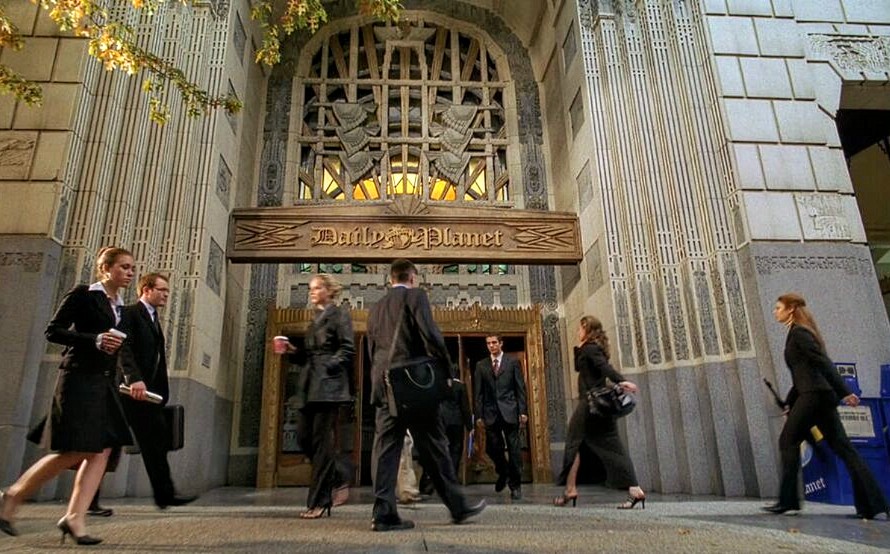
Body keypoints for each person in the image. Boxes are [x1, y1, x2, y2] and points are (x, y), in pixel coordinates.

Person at [0, 247, 135, 544]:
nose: (130, 272)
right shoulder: (84, 295)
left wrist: (129, 378)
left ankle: (75, 517)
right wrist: (94, 339)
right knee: (75, 449)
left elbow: (120, 349)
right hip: (78, 379)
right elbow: (54, 331)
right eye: (124, 266)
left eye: (132, 268)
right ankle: (13, 495)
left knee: (103, 449)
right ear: (105, 268)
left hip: (105, 384)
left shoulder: (122, 308)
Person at [366, 259, 485, 532]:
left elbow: (372, 350)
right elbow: (430, 334)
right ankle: (458, 506)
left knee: (384, 452)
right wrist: (446, 368)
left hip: (385, 386)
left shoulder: (376, 307)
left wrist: (379, 384)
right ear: (412, 277)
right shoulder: (415, 296)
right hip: (413, 386)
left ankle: (383, 514)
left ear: (390, 278)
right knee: (435, 447)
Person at [764, 293, 889, 519]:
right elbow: (803, 374)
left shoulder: (800, 334)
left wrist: (845, 392)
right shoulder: (797, 333)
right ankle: (873, 504)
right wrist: (789, 402)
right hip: (816, 395)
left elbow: (822, 363)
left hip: (814, 396)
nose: (775, 311)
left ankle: (788, 500)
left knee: (788, 440)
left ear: (790, 309)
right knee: (844, 449)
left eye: (778, 308)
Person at [118, 272, 196, 510]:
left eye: (167, 291)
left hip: (149, 396)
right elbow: (123, 346)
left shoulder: (153, 319)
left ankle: (165, 495)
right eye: (162, 290)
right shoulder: (129, 314)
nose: (166, 295)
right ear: (146, 290)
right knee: (105, 446)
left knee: (156, 443)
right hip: (129, 392)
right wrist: (134, 379)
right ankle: (88, 498)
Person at [281, 274, 355, 519]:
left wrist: (328, 367)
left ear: (329, 290)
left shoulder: (339, 314)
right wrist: (293, 351)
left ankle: (319, 502)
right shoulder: (314, 320)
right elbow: (310, 355)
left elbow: (347, 349)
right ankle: (340, 475)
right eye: (310, 288)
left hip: (328, 387)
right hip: (308, 386)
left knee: (323, 445)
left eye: (316, 288)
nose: (311, 292)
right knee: (304, 438)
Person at [554, 315, 645, 509]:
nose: (577, 332)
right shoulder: (589, 349)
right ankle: (635, 489)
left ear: (587, 329)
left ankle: (570, 490)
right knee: (613, 447)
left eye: (580, 328)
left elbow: (605, 368)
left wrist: (621, 381)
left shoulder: (590, 349)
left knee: (573, 443)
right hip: (598, 408)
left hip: (589, 406)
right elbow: (582, 366)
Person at [473, 335, 528, 500]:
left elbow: (520, 388)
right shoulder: (481, 365)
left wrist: (522, 411)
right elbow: (478, 393)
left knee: (514, 450)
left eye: (494, 342)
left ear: (501, 343)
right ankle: (503, 471)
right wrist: (479, 415)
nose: (491, 346)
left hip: (510, 411)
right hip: (490, 414)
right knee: (492, 447)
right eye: (488, 343)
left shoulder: (512, 362)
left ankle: (515, 486)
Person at [420, 375, 473, 493]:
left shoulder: (436, 383)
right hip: (456, 421)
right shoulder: (460, 386)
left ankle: (434, 480)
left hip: (441, 421)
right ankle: (451, 479)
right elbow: (465, 407)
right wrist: (469, 425)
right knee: (456, 449)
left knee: (440, 449)